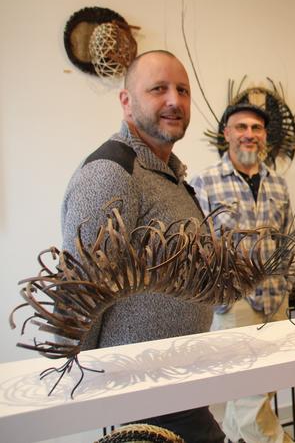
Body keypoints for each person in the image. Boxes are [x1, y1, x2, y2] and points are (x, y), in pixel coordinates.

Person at [61, 50, 225, 441]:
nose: (174, 100)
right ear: (126, 101)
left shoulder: (169, 176)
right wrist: (83, 384)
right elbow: (78, 293)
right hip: (140, 394)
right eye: (158, 89)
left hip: (177, 383)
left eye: (182, 90)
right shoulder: (111, 173)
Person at [191, 100, 294, 443]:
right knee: (250, 393)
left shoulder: (278, 184)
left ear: (264, 136)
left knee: (264, 387)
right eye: (241, 127)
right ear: (226, 134)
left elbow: (288, 239)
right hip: (234, 304)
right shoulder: (204, 183)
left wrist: (286, 286)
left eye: (256, 128)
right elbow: (196, 248)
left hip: (275, 299)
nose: (249, 135)